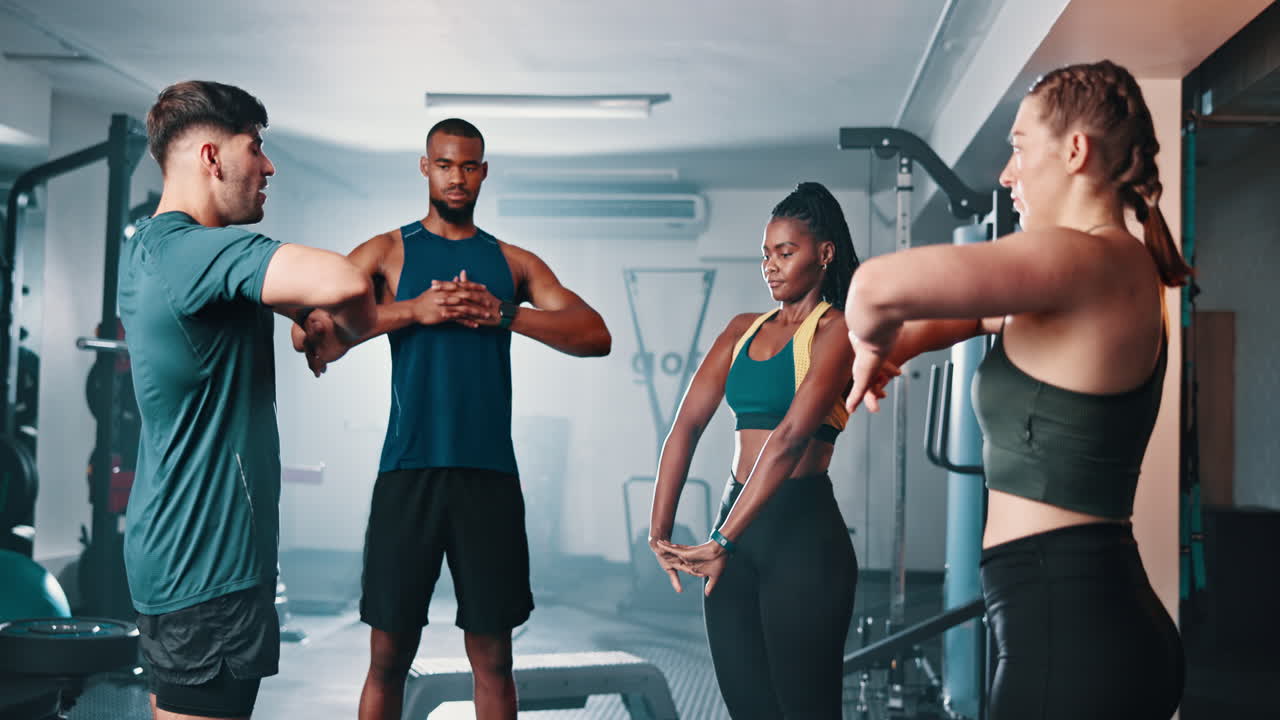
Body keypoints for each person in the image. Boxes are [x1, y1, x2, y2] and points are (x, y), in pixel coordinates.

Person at [842, 60, 1187, 719]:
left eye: (1020, 147)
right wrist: (898, 347)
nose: (1007, 174)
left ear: (1076, 150)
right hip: (1079, 621)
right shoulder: (1106, 267)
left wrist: (869, 341)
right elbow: (973, 315)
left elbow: (872, 287)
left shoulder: (1087, 257)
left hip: (1071, 632)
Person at [292, 117, 611, 720]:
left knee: (493, 657)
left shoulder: (512, 263)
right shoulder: (388, 251)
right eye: (445, 164)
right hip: (408, 472)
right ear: (425, 167)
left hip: (487, 476)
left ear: (483, 172)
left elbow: (595, 335)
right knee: (387, 654)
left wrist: (504, 314)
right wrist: (414, 309)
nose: (456, 177)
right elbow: (310, 328)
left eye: (468, 166)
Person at [119, 80, 376, 720]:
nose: (268, 166)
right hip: (208, 568)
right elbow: (346, 282)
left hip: (179, 555)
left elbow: (300, 302)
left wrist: (308, 318)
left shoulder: (151, 248)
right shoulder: (199, 252)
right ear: (212, 158)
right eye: (255, 147)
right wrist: (329, 324)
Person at [649, 182, 891, 719]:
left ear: (824, 254)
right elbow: (686, 425)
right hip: (733, 532)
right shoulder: (742, 329)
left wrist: (722, 540)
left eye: (786, 252)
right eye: (766, 254)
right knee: (749, 710)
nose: (771, 266)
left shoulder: (840, 329)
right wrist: (659, 532)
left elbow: (787, 441)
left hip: (801, 535)